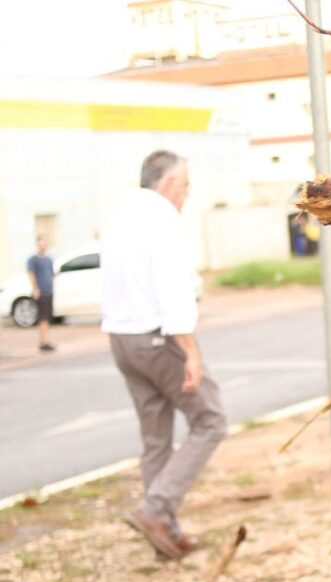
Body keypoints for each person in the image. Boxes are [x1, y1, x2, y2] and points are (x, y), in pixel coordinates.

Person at [101, 150, 227, 561]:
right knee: (210, 420)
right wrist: (189, 350)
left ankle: (163, 534)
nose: (187, 195)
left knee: (155, 439)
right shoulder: (162, 219)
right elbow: (172, 287)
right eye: (186, 186)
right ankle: (155, 509)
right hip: (157, 338)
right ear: (169, 183)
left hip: (122, 339)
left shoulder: (119, 215)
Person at [27, 234, 55, 353]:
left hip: (49, 291)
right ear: (38, 243)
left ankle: (46, 340)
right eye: (42, 242)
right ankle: (42, 342)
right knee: (42, 317)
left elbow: (52, 274)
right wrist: (35, 289)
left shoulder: (49, 259)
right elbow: (31, 274)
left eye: (45, 242)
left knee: (47, 317)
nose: (44, 244)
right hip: (41, 292)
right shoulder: (33, 260)